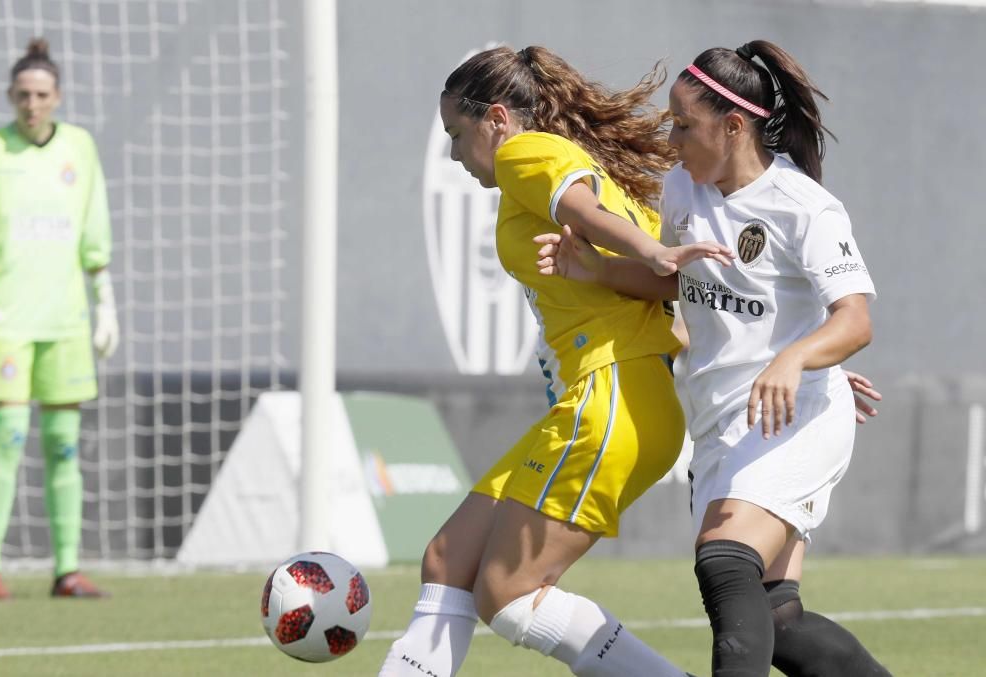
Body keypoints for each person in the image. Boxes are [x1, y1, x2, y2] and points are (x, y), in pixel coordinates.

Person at [537, 40, 891, 676]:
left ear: (733, 126)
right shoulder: (684, 189)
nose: (672, 139)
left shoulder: (803, 206)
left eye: (683, 124)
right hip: (720, 420)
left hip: (796, 417)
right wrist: (594, 270)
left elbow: (854, 318)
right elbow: (682, 286)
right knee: (777, 618)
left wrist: (799, 361)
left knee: (724, 559)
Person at [379, 45, 735, 677]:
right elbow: (676, 293)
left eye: (457, 137)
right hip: (617, 400)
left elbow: (587, 214)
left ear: (496, 117)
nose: (457, 156)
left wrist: (648, 251)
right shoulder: (577, 168)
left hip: (610, 396)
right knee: (448, 559)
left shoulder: (524, 151)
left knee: (510, 596)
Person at [0, 38, 119, 600]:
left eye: (41, 94)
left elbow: (94, 224)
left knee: (64, 446)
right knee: (8, 438)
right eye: (22, 95)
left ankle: (67, 569)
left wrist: (105, 297)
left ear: (57, 96)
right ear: (10, 96)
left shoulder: (80, 148)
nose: (31, 104)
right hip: (7, 322)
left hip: (65, 321)